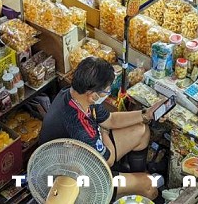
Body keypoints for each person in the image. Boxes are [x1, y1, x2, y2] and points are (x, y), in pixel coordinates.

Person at [38, 57, 162, 200]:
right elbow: (108, 159)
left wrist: (145, 115)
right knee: (149, 185)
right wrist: (103, 132)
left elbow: (110, 119)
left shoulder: (75, 94)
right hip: (79, 177)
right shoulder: (80, 126)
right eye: (107, 91)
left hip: (85, 154)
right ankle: (129, 191)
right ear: (93, 95)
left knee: (142, 130)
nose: (106, 94)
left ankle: (134, 179)